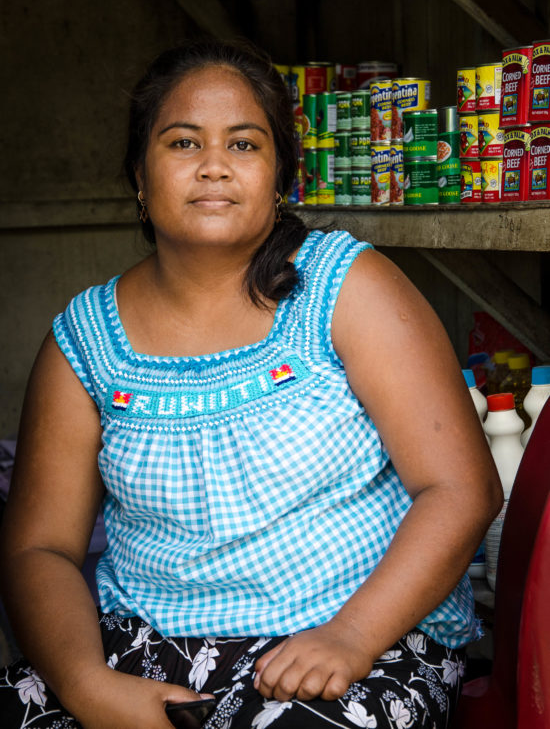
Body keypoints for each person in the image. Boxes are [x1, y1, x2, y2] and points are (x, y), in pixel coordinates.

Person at [0, 38, 502, 729]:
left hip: (359, 639)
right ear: (139, 179)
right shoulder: (86, 341)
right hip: (143, 649)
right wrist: (88, 685)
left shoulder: (344, 288)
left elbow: (461, 489)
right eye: (182, 143)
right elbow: (41, 548)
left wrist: (351, 638)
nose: (213, 166)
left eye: (243, 144)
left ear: (279, 177)